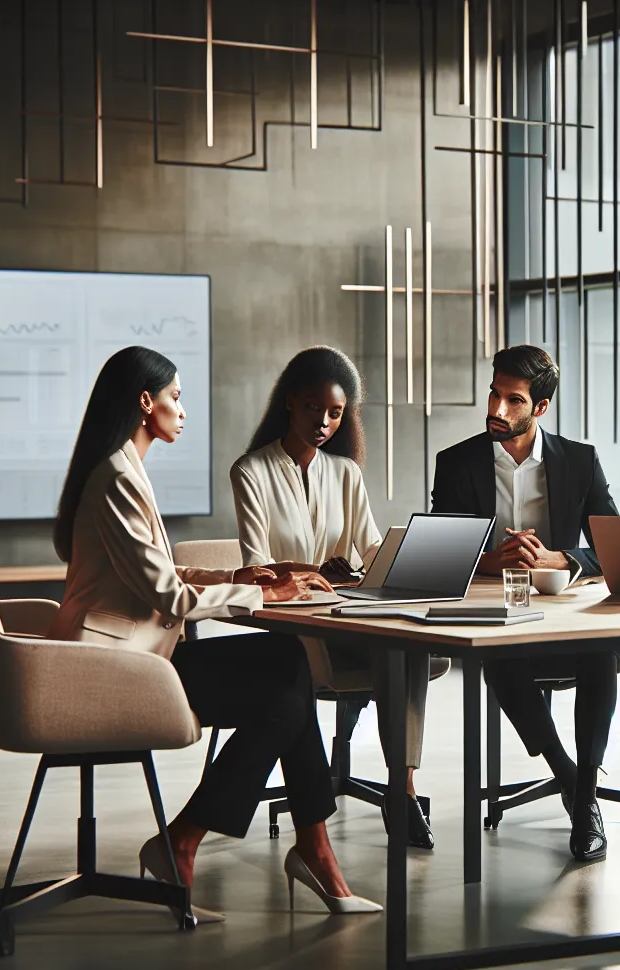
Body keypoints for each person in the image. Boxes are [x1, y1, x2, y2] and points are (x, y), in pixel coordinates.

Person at [47, 345, 379, 917]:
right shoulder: (118, 477)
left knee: (288, 671)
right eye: (175, 398)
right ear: (146, 403)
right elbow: (169, 596)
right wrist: (264, 592)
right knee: (285, 691)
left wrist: (236, 575)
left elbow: (160, 571)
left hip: (138, 657)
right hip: (113, 669)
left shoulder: (121, 469)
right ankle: (204, 840)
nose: (182, 409)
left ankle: (288, 845)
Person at [230, 346, 434, 850]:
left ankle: (400, 787)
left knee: (408, 646)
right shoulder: (251, 471)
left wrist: (402, 561)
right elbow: (258, 567)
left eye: (335, 413)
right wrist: (316, 572)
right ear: (289, 404)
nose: (323, 422)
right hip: (291, 631)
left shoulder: (345, 472)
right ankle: (399, 792)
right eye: (312, 408)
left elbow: (369, 551)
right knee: (397, 654)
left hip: (348, 617)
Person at [430, 344, 620, 863]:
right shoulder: (456, 464)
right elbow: (437, 553)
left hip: (565, 612)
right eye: (494, 394)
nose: (496, 410)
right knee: (500, 661)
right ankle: (574, 781)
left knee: (599, 653)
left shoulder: (579, 461)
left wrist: (561, 557)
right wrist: (492, 560)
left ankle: (583, 797)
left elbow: (613, 545)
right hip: (498, 617)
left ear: (540, 408)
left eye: (513, 400)